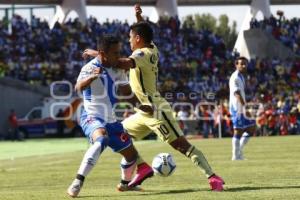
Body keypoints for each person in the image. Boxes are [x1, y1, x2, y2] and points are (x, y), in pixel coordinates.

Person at [83, 4, 224, 191]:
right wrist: (139, 18)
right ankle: (142, 168)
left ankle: (213, 178)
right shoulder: (152, 46)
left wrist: (97, 54)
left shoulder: (142, 53)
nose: (129, 41)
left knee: (181, 145)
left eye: (131, 38)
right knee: (116, 137)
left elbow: (120, 63)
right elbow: (145, 33)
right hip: (142, 111)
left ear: (138, 39)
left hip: (156, 110)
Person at [67, 35, 152, 197]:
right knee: (102, 140)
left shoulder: (118, 70)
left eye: (119, 52)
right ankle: (77, 181)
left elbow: (127, 92)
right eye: (115, 53)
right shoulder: (90, 68)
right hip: (92, 117)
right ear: (103, 53)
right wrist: (93, 77)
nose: (118, 56)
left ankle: (125, 184)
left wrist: (142, 106)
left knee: (132, 155)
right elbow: (78, 87)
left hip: (112, 121)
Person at [229, 57, 256, 160]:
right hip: (237, 108)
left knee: (252, 127)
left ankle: (238, 152)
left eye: (245, 64)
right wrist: (245, 108)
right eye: (241, 64)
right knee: (238, 131)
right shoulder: (235, 77)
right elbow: (237, 94)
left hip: (240, 107)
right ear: (236, 65)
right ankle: (235, 156)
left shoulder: (241, 76)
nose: (244, 66)